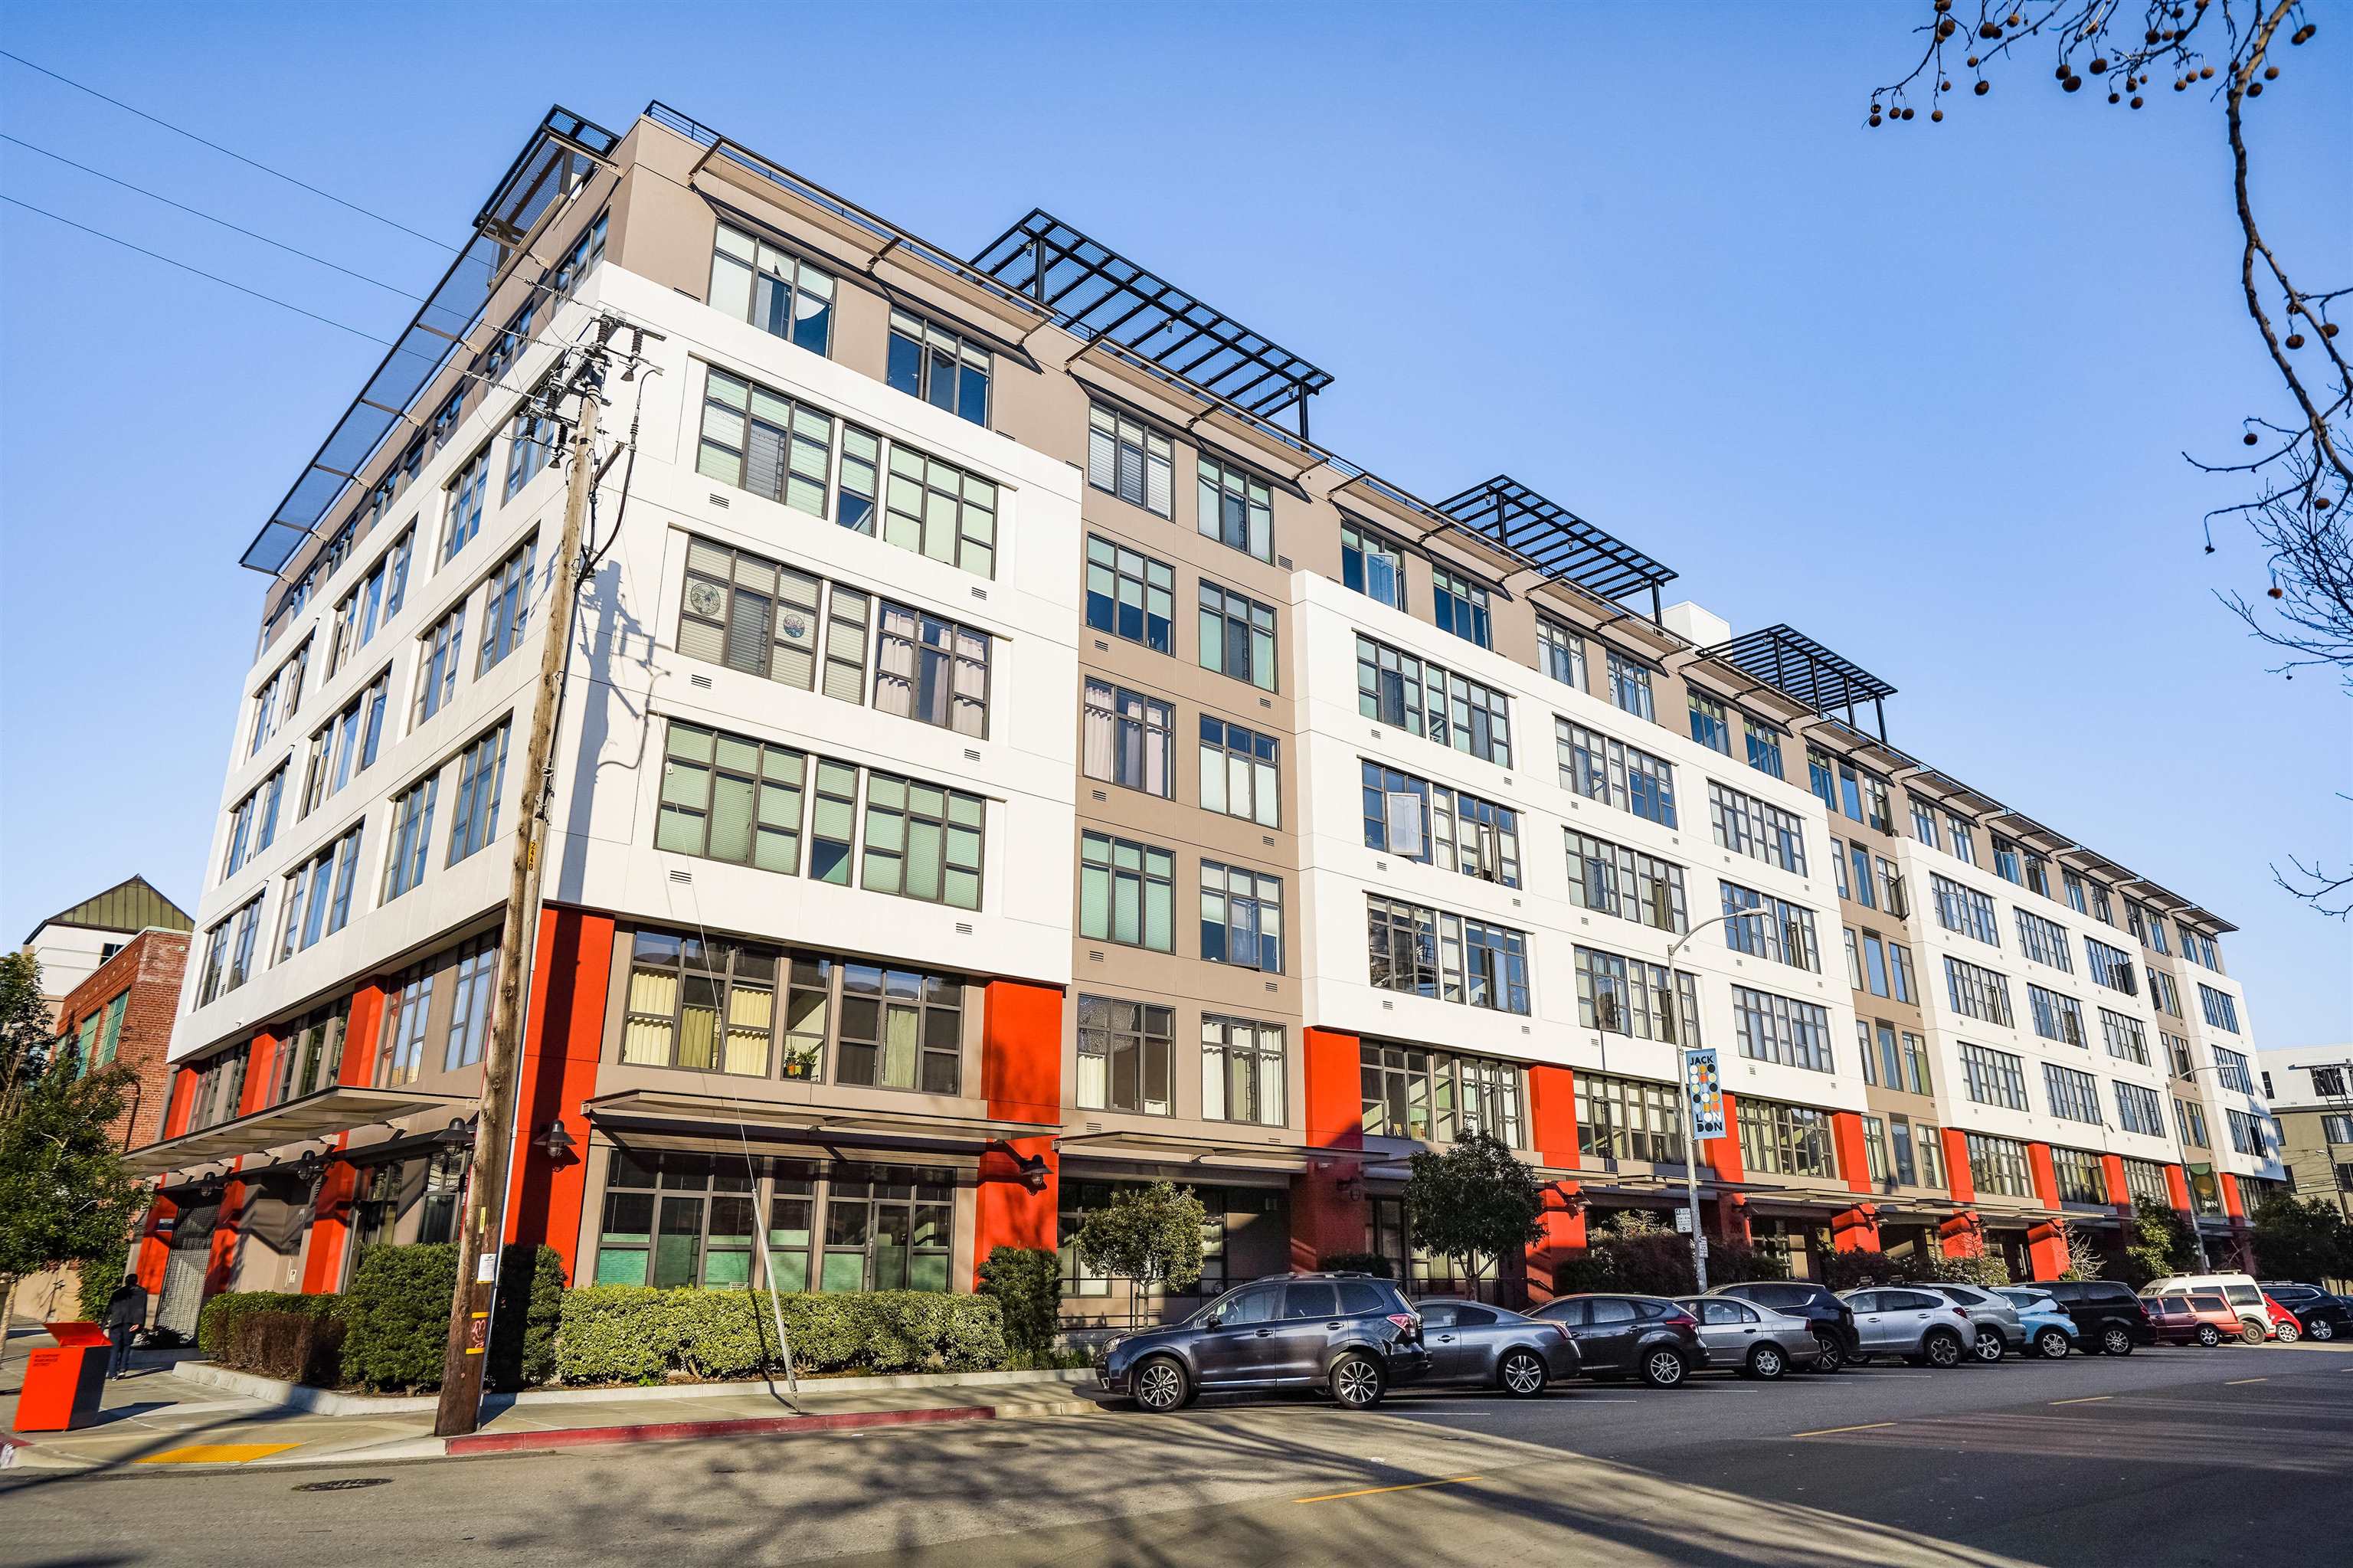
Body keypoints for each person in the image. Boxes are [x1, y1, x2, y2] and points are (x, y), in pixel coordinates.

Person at [103, 1277, 148, 1380]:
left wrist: (105, 1323)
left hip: (116, 1322)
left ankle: (112, 1372)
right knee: (127, 1346)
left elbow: (110, 1308)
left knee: (115, 1348)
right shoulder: (141, 1292)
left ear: (125, 1282)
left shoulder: (117, 1293)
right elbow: (142, 1308)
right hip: (130, 1323)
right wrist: (139, 1323)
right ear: (136, 1281)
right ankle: (122, 1370)